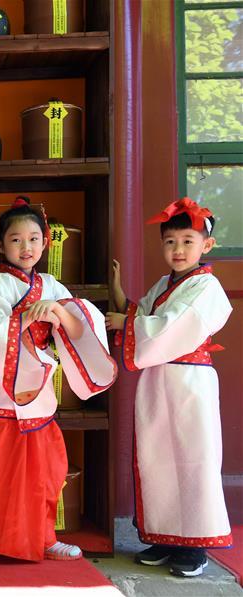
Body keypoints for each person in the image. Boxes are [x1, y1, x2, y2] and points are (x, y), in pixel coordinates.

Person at [0, 197, 117, 563]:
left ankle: (43, 536)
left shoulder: (52, 285)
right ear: (0, 245)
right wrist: (25, 317)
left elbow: (79, 328)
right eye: (15, 239)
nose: (26, 247)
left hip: (37, 388)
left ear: (45, 243)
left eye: (33, 238)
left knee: (44, 470)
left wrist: (57, 310)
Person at [105, 197, 233, 578]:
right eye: (170, 242)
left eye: (187, 241)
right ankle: (166, 537)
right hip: (159, 380)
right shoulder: (165, 283)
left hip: (189, 381)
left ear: (206, 246)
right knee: (158, 458)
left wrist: (126, 324)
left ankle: (197, 545)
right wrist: (117, 292)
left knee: (194, 459)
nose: (178, 250)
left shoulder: (207, 288)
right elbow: (142, 316)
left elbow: (171, 327)